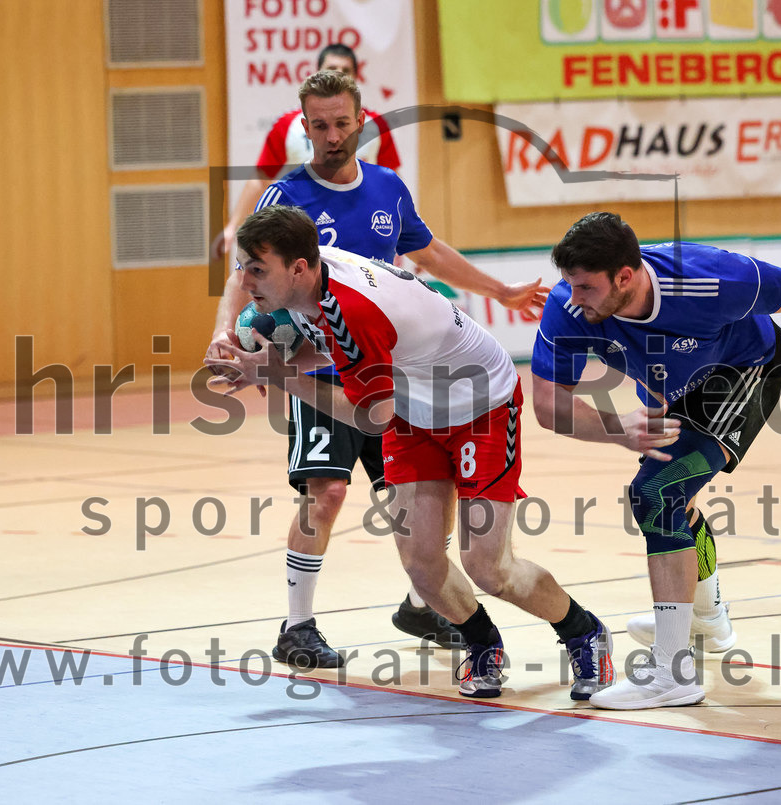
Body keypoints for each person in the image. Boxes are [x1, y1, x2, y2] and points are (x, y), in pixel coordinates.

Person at [206, 205, 653, 700]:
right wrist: (263, 365)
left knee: (488, 567)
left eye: (257, 269)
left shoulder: (352, 308)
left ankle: (583, 631)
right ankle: (482, 643)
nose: (246, 282)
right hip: (415, 406)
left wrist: (278, 373)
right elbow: (346, 352)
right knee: (421, 562)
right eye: (241, 267)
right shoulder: (318, 271)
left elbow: (369, 416)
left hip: (480, 404)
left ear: (297, 268)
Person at [206, 70, 547, 670]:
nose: (332, 135)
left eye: (342, 123)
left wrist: (501, 290)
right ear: (300, 125)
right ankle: (297, 625)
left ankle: (422, 602)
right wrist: (223, 333)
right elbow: (244, 275)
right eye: (319, 125)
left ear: (361, 122)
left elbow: (430, 251)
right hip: (318, 370)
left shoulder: (388, 186)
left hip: (389, 375)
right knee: (328, 492)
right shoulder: (284, 196)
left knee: (417, 502)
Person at [531, 211, 781, 710]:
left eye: (585, 288)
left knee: (657, 493)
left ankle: (673, 673)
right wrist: (620, 429)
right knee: (670, 498)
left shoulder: (706, 277)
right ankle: (704, 615)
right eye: (569, 287)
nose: (574, 299)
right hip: (675, 387)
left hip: (743, 371)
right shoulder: (569, 307)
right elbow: (547, 403)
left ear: (625, 276)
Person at [211, 43, 400, 261]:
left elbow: (392, 186)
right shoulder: (288, 126)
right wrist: (233, 226)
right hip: (301, 236)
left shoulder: (375, 126)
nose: (338, 75)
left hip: (360, 234)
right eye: (331, 68)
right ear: (318, 74)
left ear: (356, 77)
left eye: (345, 71)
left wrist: (407, 238)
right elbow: (260, 180)